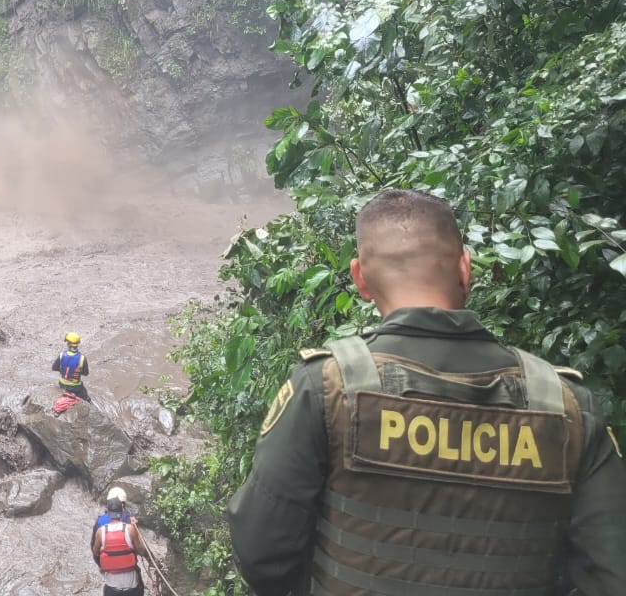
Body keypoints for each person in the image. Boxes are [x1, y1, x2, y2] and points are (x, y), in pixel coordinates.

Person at [227, 189, 626, 596]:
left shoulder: (325, 388)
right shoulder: (566, 405)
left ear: (360, 279)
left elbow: (262, 550)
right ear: (465, 268)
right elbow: (612, 573)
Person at [92, 486, 146, 596]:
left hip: (111, 586)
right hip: (131, 586)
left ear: (108, 509)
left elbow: (95, 551)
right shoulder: (130, 526)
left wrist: (102, 564)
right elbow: (141, 551)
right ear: (122, 507)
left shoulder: (100, 529)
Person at [53, 331, 90, 401]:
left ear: (68, 344)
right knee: (87, 399)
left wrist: (62, 370)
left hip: (62, 385)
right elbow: (86, 373)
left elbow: (54, 368)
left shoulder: (61, 355)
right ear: (77, 344)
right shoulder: (82, 358)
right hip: (76, 387)